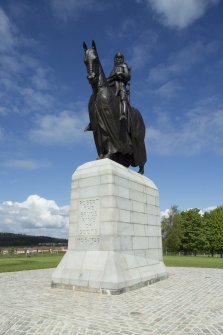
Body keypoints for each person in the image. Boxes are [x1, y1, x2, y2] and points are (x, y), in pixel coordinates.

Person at [107, 52, 131, 121]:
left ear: (122, 59)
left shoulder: (124, 66)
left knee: (123, 94)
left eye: (120, 58)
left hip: (120, 84)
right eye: (117, 58)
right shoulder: (113, 69)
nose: (118, 59)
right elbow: (110, 78)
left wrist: (121, 73)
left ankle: (123, 113)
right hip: (111, 85)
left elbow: (128, 76)